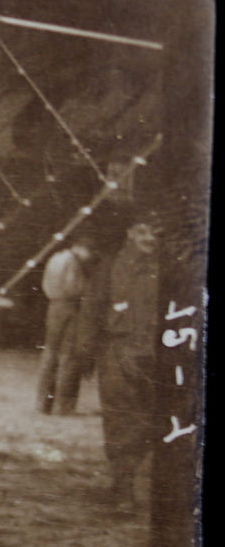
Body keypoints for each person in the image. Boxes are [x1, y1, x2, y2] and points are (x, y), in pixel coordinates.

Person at [88, 213, 163, 515]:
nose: (149, 239)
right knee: (120, 419)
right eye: (143, 231)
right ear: (131, 232)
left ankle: (126, 476)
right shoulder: (109, 266)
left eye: (155, 234)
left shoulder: (169, 269)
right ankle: (124, 487)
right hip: (117, 351)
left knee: (153, 422)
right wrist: (85, 351)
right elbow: (92, 308)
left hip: (157, 356)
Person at [36, 237, 95, 415]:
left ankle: (43, 403)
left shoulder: (56, 258)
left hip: (53, 306)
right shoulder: (74, 262)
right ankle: (64, 406)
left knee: (50, 354)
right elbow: (73, 287)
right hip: (70, 307)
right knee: (69, 356)